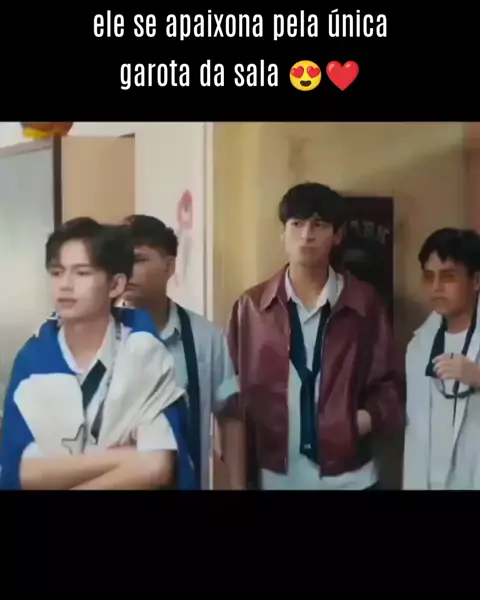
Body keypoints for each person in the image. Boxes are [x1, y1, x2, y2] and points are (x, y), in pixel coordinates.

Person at [225, 182, 405, 490]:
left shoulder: (365, 303)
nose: (307, 235)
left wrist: (361, 421)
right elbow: (229, 397)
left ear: (337, 235)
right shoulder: (251, 308)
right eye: (297, 224)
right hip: (277, 478)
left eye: (319, 225)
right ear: (282, 233)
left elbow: (392, 383)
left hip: (352, 478)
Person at [0, 217, 194, 490]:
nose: (65, 284)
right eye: (57, 272)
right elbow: (20, 472)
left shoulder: (145, 355)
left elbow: (157, 467)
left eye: (82, 273)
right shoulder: (32, 361)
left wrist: (57, 471)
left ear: (116, 285)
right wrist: (126, 458)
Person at [121, 214, 239, 489]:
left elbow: (231, 415)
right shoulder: (99, 335)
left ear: (169, 265)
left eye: (138, 259)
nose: (126, 270)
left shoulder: (205, 338)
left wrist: (237, 485)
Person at [403, 228, 480, 489]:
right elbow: (415, 435)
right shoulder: (418, 346)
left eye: (448, 276)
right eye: (429, 276)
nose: (436, 287)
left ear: (476, 281)